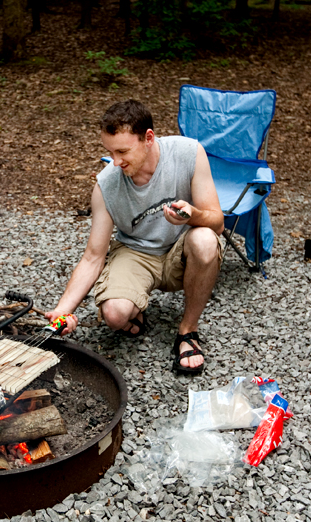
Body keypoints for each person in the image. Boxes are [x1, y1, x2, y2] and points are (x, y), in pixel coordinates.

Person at [45, 100, 224, 375]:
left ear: (148, 138)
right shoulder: (107, 184)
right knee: (115, 315)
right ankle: (134, 308)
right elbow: (93, 257)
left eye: (122, 151)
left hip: (182, 248)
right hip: (136, 253)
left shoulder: (189, 153)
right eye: (110, 152)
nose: (115, 162)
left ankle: (188, 330)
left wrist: (193, 215)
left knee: (205, 240)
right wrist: (62, 309)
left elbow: (218, 222)